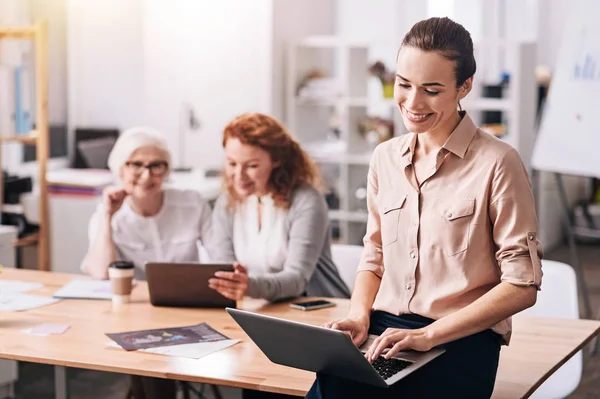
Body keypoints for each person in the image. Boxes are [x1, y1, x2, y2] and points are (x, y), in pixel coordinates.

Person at [305, 17, 543, 399]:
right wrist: (358, 315)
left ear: (464, 86)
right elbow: (375, 256)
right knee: (331, 388)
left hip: (460, 337)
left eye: (431, 90)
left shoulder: (499, 163)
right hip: (385, 329)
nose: (412, 103)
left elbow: (522, 285)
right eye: (403, 85)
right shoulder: (384, 158)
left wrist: (428, 335)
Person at [81, 126, 212, 399]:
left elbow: (220, 259)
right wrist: (107, 216)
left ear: (166, 170)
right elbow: (100, 273)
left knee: (149, 373)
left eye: (156, 166)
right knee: (148, 366)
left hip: (187, 312)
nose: (147, 175)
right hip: (135, 317)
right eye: (136, 165)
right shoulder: (108, 212)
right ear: (120, 168)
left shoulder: (192, 203)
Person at [207, 112, 351, 303]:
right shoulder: (227, 203)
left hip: (319, 309)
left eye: (252, 166)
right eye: (232, 163)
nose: (239, 176)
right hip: (259, 309)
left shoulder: (305, 201)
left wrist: (248, 285)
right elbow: (224, 270)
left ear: (276, 160)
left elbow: (297, 279)